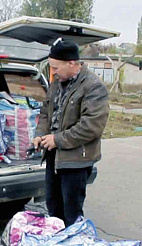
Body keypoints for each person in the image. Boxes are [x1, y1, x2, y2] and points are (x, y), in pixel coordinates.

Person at [33, 38, 109, 226]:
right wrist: (40, 134)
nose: (53, 72)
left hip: (76, 160)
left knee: (72, 214)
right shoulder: (56, 84)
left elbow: (92, 126)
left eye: (56, 67)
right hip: (54, 157)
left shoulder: (93, 87)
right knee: (54, 209)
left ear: (71, 63)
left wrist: (57, 140)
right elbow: (45, 112)